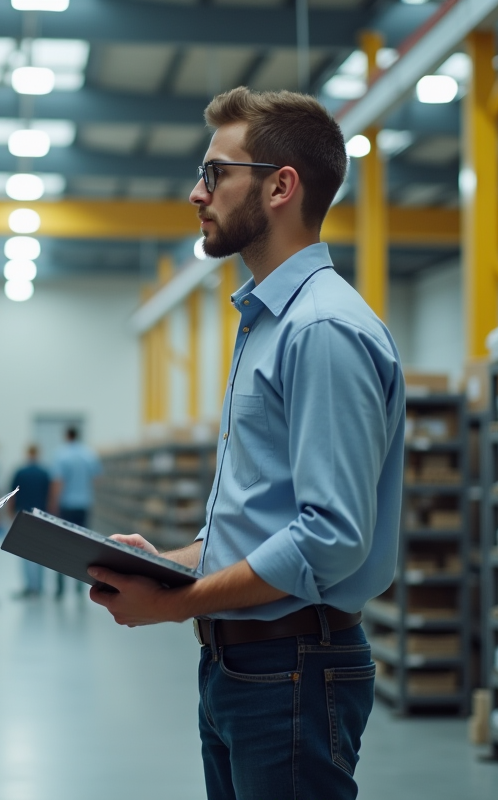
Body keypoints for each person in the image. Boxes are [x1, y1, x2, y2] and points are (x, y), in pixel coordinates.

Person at [87, 87, 404, 800]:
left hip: (292, 666)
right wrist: (164, 566)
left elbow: (328, 538)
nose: (197, 193)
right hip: (246, 667)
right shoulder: (269, 322)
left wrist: (179, 602)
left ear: (281, 186)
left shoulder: (320, 329)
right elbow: (264, 518)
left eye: (216, 174)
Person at [49, 426, 102, 596]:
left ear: (66, 436)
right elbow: (97, 478)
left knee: (61, 543)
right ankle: (80, 583)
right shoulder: (88, 454)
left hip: (66, 505)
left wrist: (53, 504)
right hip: (83, 504)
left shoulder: (61, 454)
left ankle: (60, 587)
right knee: (82, 543)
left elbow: (58, 482)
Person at [7, 444, 52, 597]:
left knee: (25, 552)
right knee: (40, 551)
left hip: (23, 515)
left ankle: (29, 586)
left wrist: (10, 515)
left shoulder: (20, 472)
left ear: (27, 453)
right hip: (41, 515)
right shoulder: (44, 473)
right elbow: (50, 496)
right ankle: (39, 586)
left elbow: (12, 496)